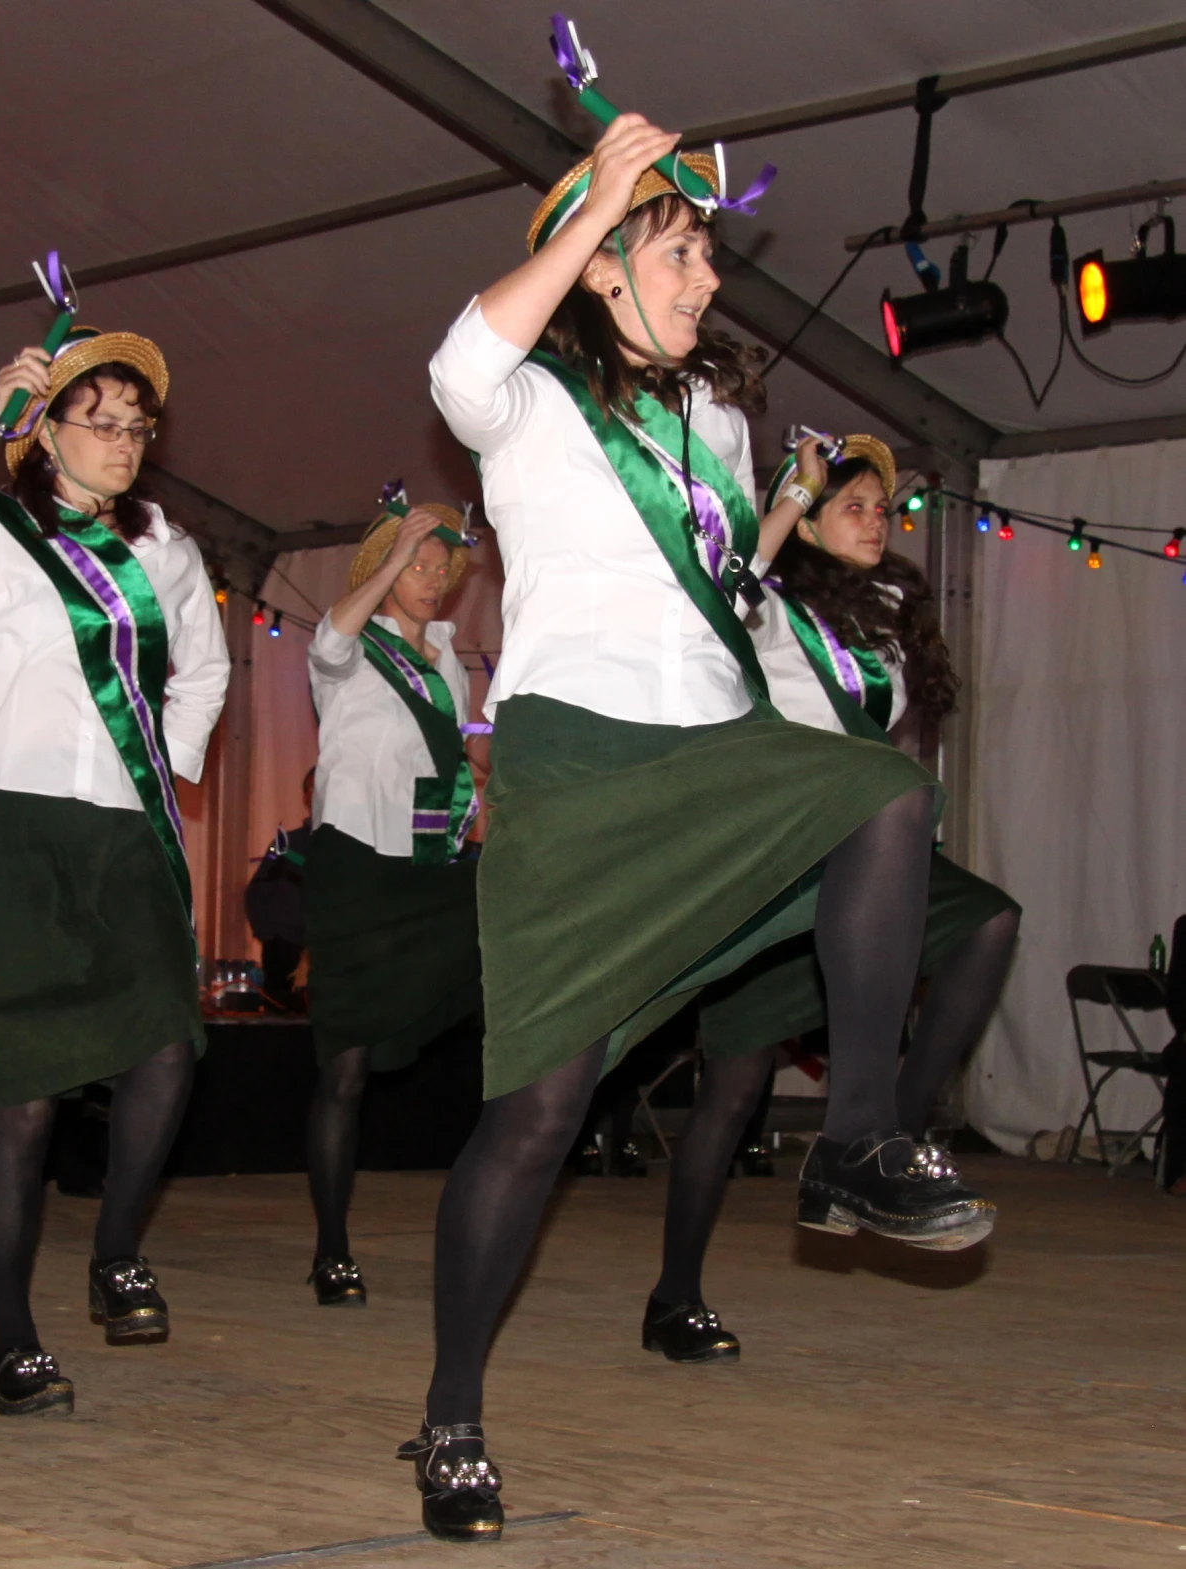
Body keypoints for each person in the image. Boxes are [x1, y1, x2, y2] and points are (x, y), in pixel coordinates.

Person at [414, 114, 990, 1540]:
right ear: (604, 269)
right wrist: (602, 196)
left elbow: (719, 600)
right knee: (537, 1111)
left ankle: (853, 1136)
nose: (706, 277)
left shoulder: (721, 429)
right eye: (679, 251)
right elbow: (457, 364)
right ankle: (451, 1412)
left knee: (884, 792)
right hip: (580, 765)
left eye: (705, 253)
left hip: (714, 747)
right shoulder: (535, 403)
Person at [0, 324, 230, 1416]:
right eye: (103, 423)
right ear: (47, 434)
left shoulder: (166, 550)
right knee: (23, 1102)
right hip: (7, 824)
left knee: (168, 1044)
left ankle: (118, 1249)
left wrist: (167, 772)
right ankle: (10, 1344)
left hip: (124, 826)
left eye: (140, 427)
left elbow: (206, 672)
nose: (127, 443)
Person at [648, 434, 1021, 1362]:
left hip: (860, 852)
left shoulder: (888, 614)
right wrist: (783, 502)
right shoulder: (768, 603)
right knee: (731, 1088)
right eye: (848, 505)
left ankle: (878, 1132)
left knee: (990, 921)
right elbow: (713, 596)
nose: (874, 521)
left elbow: (882, 742)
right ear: (807, 521)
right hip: (774, 851)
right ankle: (673, 1295)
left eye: (882, 509)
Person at [302, 502, 485, 1309]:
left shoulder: (450, 662)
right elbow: (329, 635)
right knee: (341, 1072)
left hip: (426, 862)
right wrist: (390, 551)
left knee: (498, 967)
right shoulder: (347, 650)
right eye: (418, 562)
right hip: (353, 864)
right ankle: (331, 1248)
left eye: (441, 565)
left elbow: (450, 759)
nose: (433, 578)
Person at [244, 768, 312, 1008]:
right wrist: (268, 935)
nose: (319, 795)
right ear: (305, 796)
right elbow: (258, 889)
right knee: (280, 1030)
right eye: (313, 789)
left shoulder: (352, 846)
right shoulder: (286, 845)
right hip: (284, 950)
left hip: (335, 951)